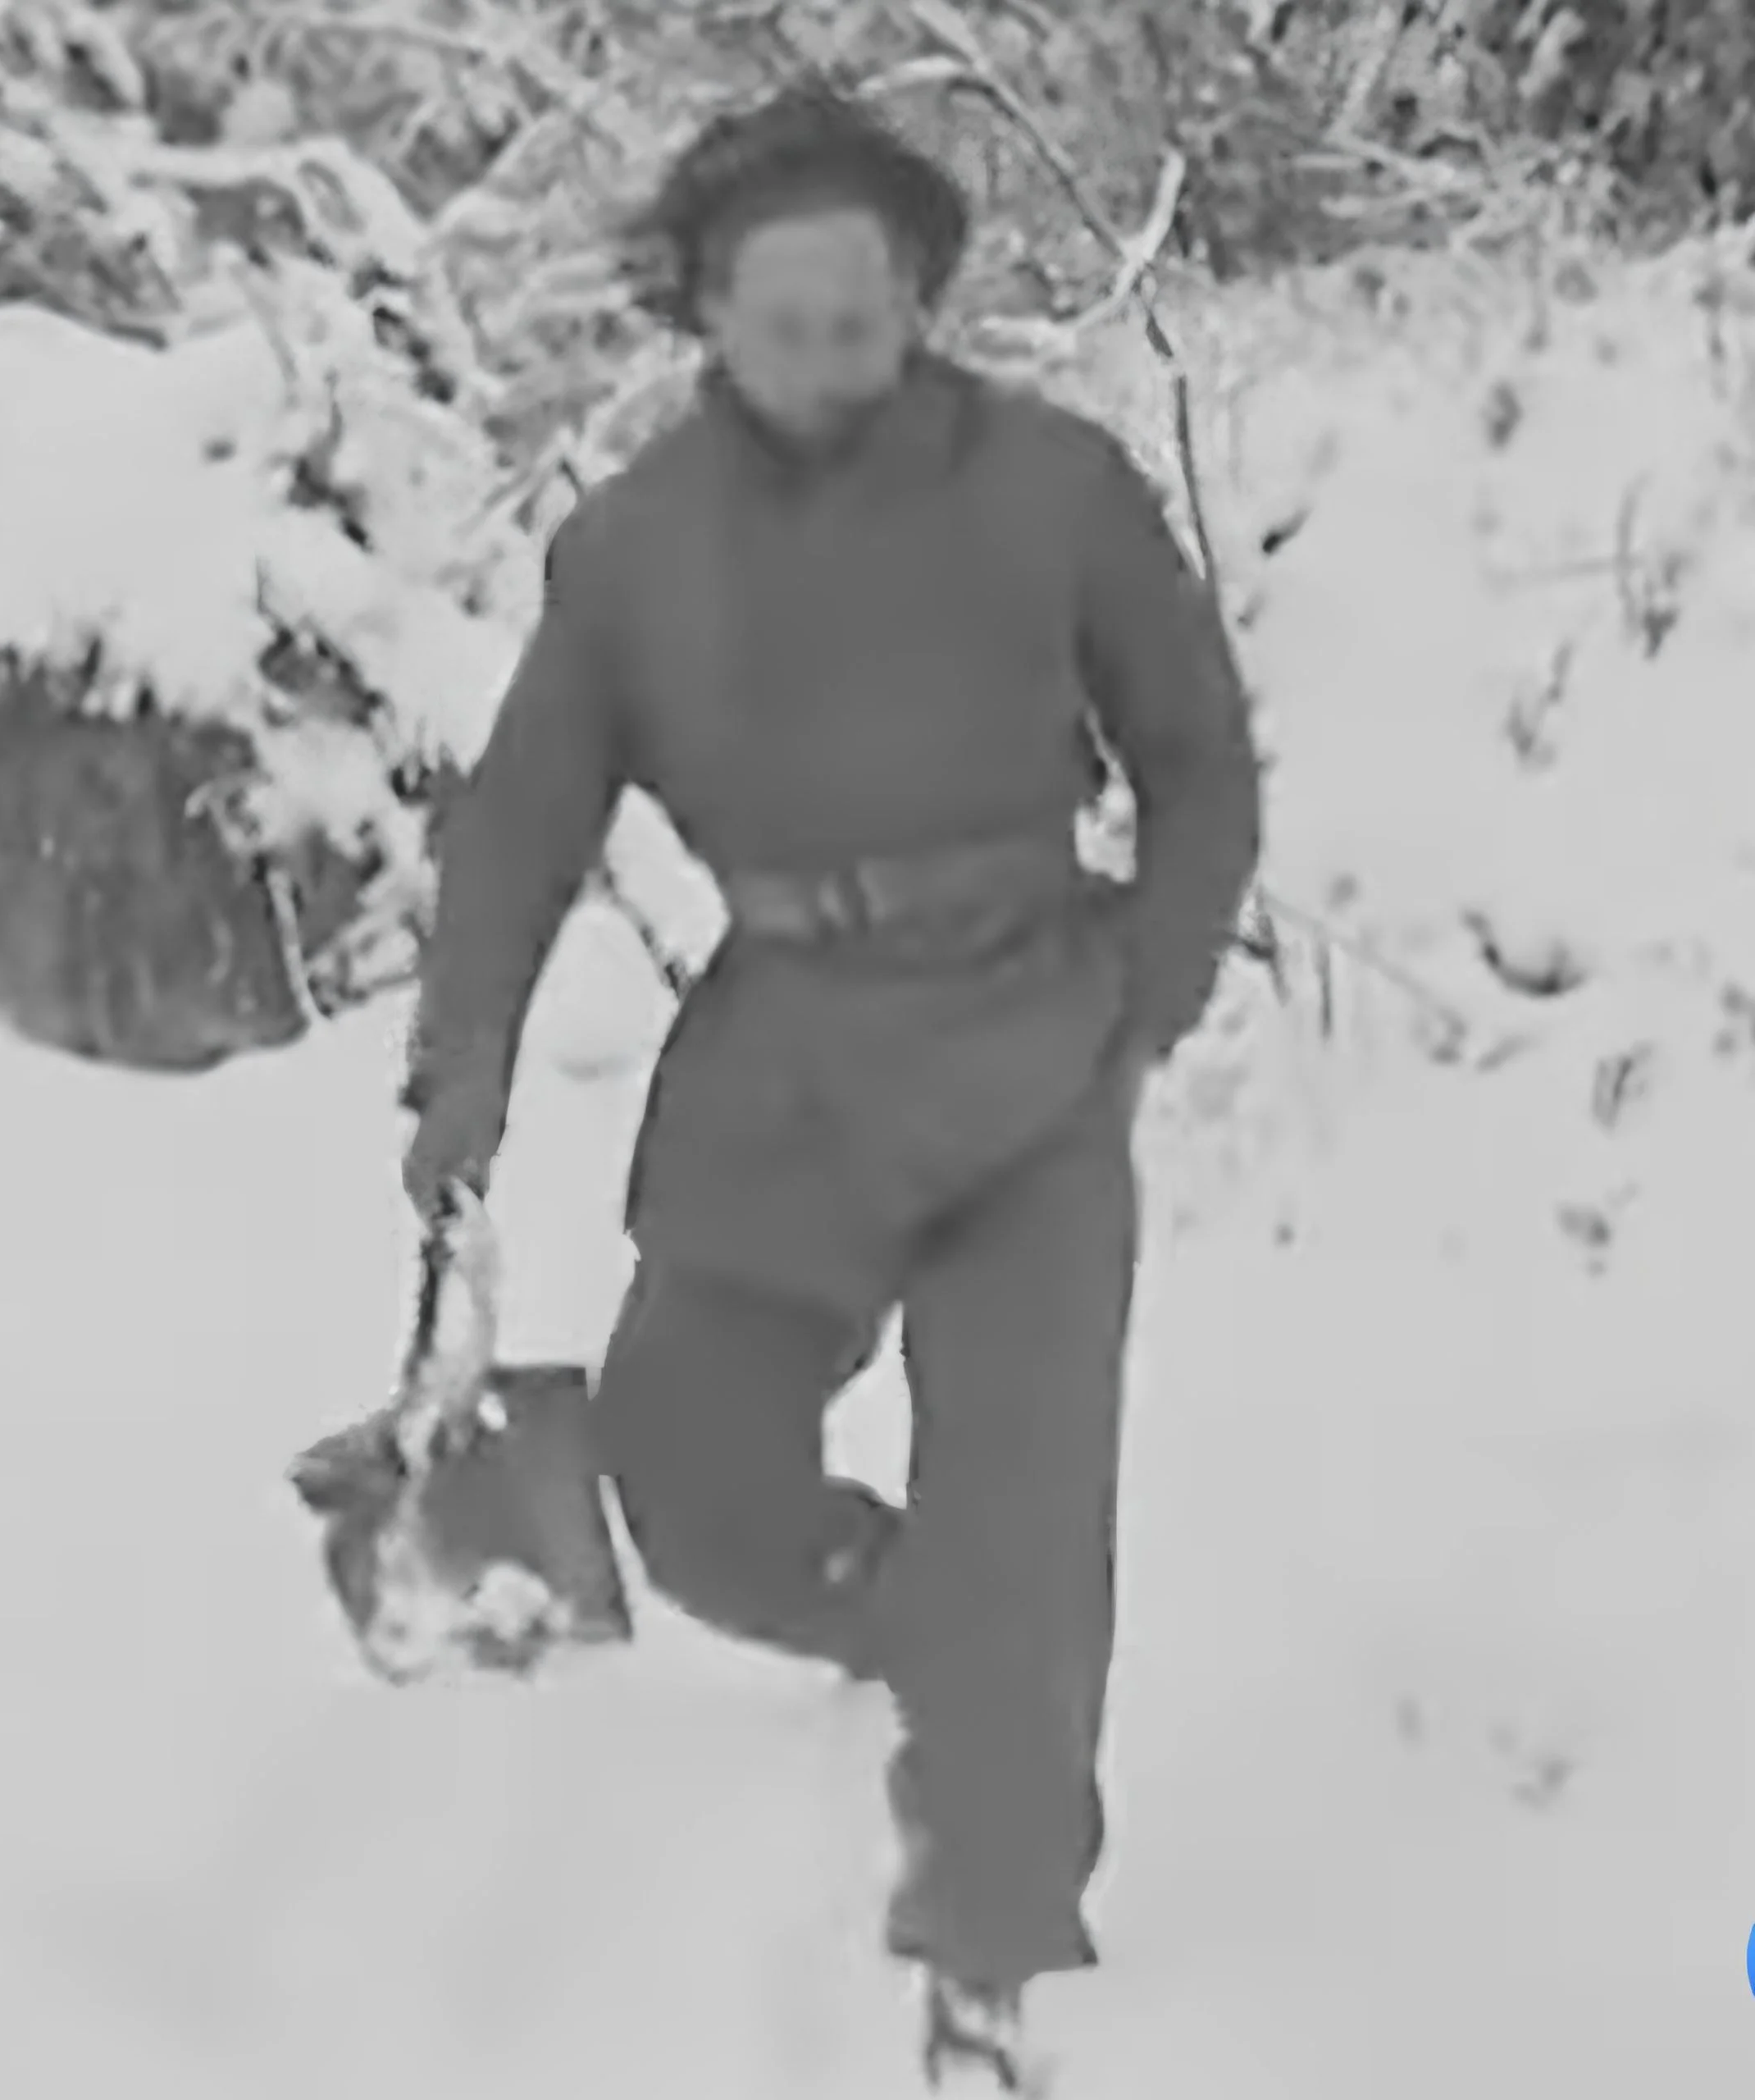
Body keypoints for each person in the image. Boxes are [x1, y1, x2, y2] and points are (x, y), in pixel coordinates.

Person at [399, 80, 1262, 2091]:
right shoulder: (630, 547)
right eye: (783, 327)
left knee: (1026, 1507)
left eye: (862, 322)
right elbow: (522, 822)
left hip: (1029, 1042)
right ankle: (908, 1627)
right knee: (680, 1459)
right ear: (704, 311)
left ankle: (984, 1943)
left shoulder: (1050, 486)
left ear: (918, 302)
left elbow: (1197, 757)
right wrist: (462, 1077)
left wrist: (1146, 989)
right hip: (784, 1056)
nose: (824, 364)